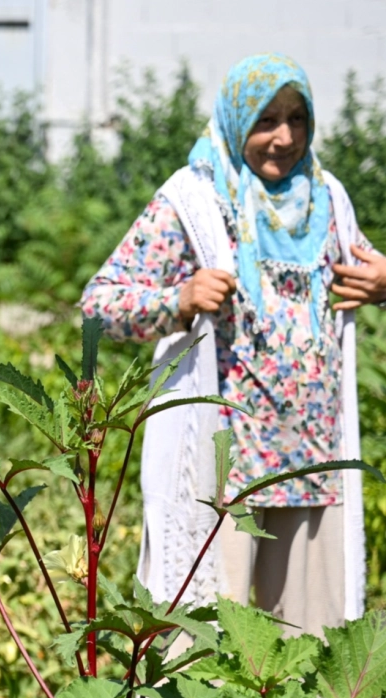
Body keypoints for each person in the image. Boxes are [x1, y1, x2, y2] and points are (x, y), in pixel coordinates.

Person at [82, 54, 386, 635]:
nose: (284, 137)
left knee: (312, 656)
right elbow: (100, 304)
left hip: (313, 466)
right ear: (235, 120)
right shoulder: (194, 202)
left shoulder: (328, 201)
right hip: (223, 475)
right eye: (266, 120)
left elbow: (369, 272)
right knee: (205, 654)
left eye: (297, 119)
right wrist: (178, 299)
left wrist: (383, 285)